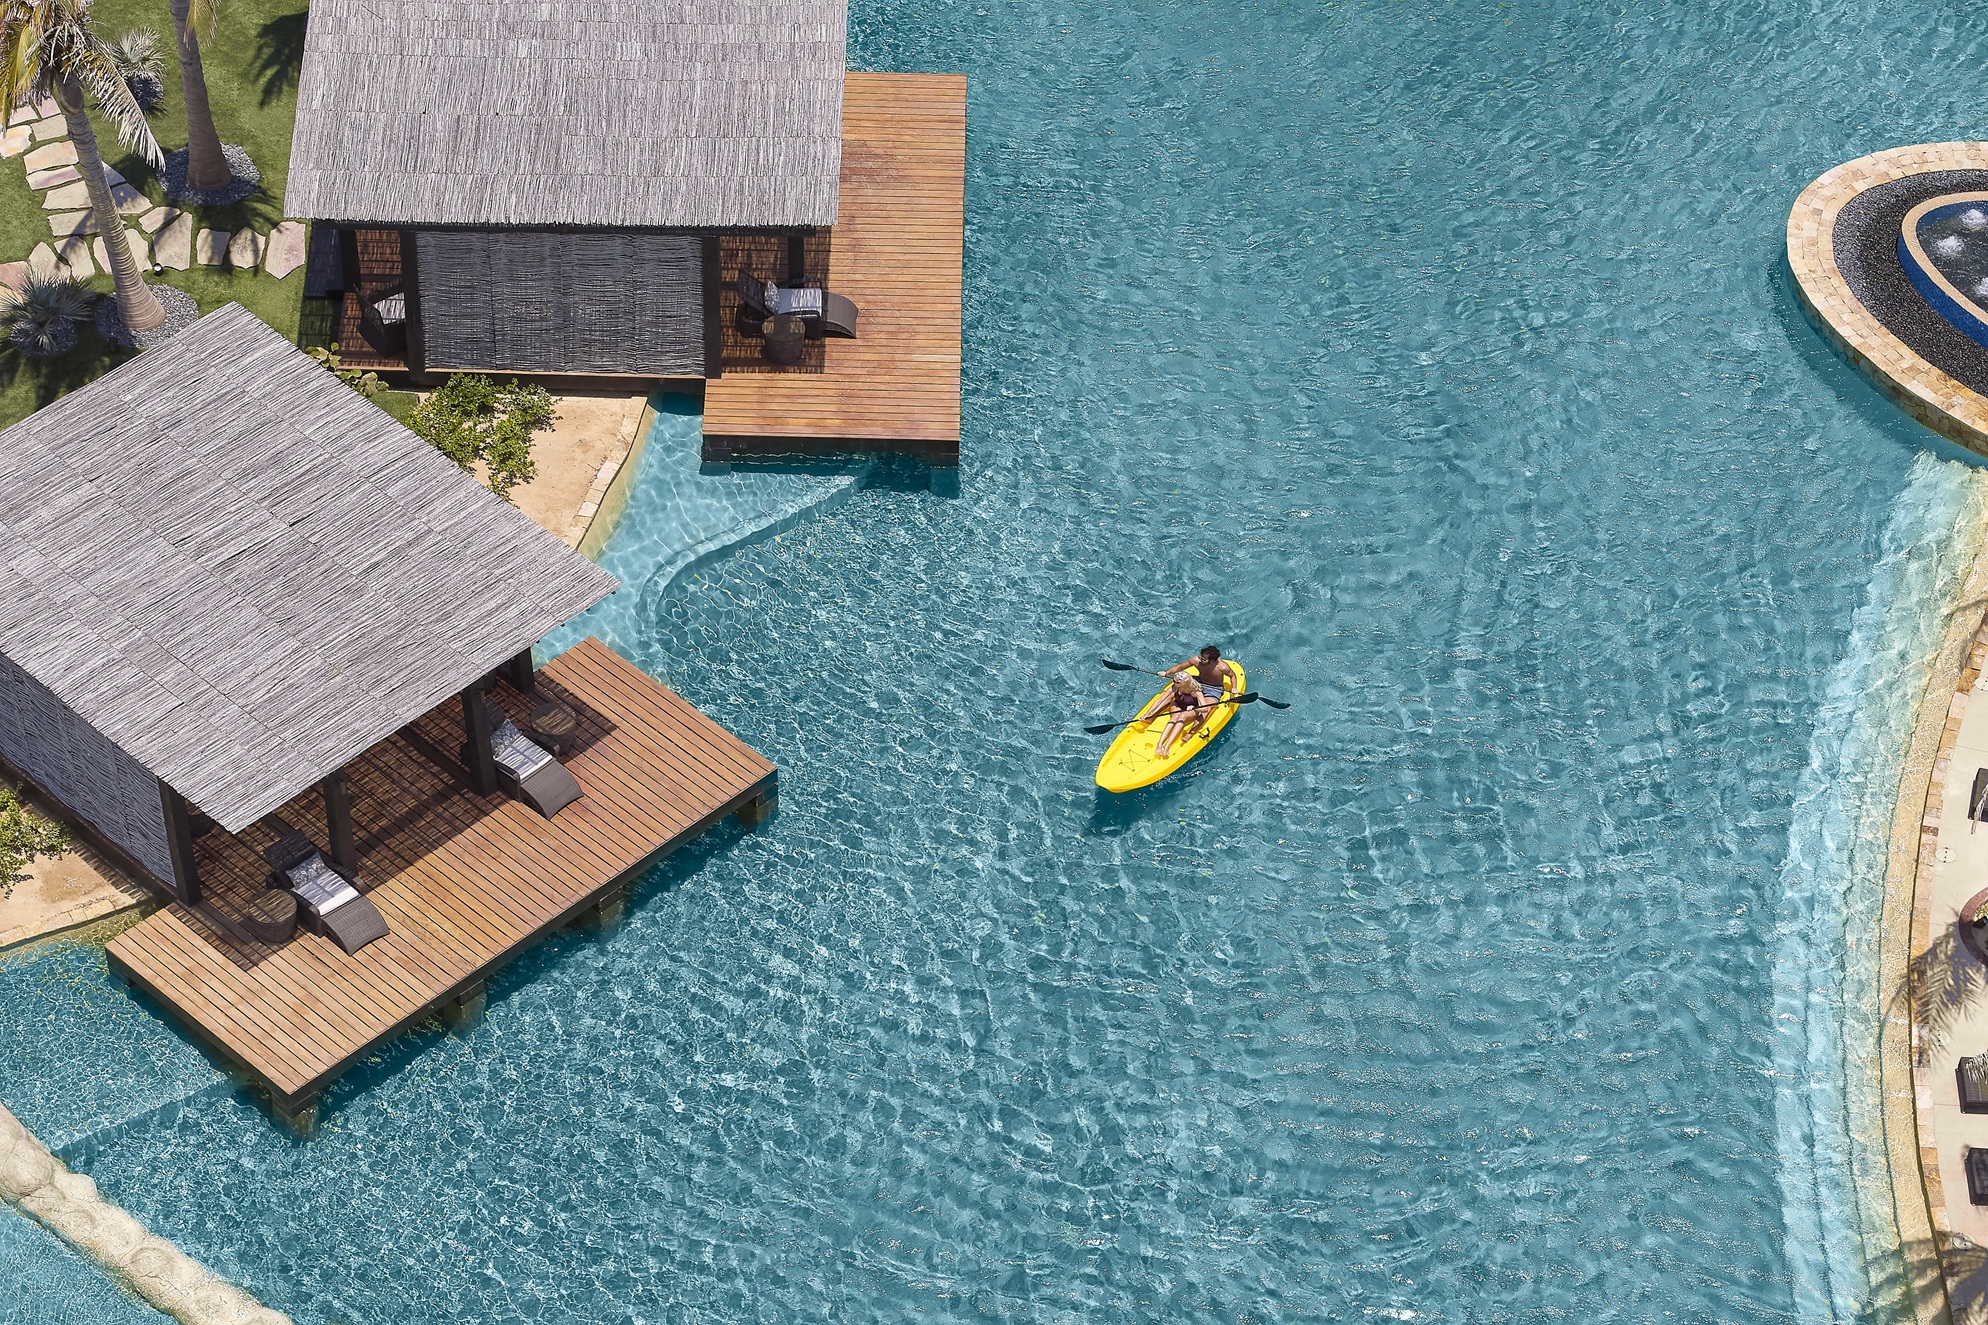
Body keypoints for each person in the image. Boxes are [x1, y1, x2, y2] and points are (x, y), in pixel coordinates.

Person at [1142, 670, 1213, 760]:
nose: (1175, 683)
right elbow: (1160, 700)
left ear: (1185, 683)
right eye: (1174, 681)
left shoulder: (1196, 691)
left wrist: (1194, 708)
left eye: (1177, 682)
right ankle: (1159, 744)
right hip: (1177, 704)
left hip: (1191, 708)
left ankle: (1167, 745)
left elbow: (1205, 709)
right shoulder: (1174, 687)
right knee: (1175, 717)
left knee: (1182, 717)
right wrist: (1148, 714)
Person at [1165, 645, 1240, 700]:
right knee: (1175, 691)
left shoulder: (1222, 667)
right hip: (1198, 682)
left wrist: (1234, 688)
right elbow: (1179, 667)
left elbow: (1232, 676)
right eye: (1200, 657)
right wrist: (1166, 673)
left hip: (1214, 688)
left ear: (1212, 660)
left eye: (1203, 660)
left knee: (1206, 707)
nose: (1200, 660)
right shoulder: (1196, 660)